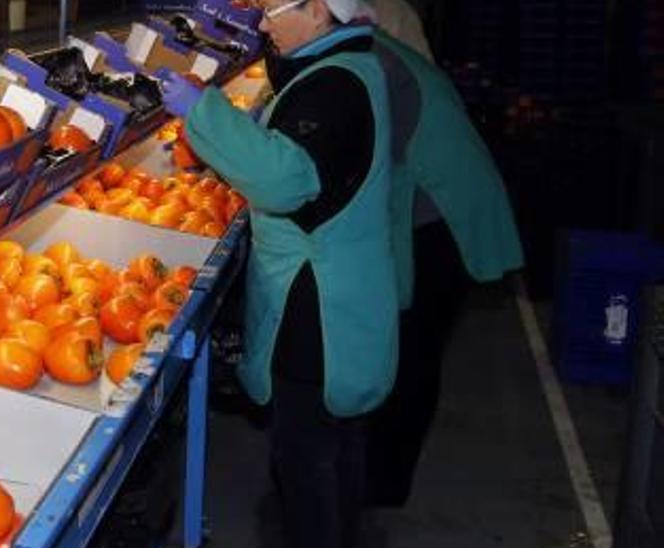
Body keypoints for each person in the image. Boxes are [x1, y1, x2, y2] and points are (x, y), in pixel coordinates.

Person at [163, 1, 398, 546]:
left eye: (273, 10)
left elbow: (287, 180)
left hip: (318, 302)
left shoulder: (335, 84)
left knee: (308, 454)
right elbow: (302, 152)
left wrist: (205, 113)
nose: (263, 23)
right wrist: (243, 134)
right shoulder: (345, 66)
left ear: (317, 11)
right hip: (342, 284)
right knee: (336, 446)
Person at [363, 26, 525, 506]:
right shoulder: (370, 49)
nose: (267, 26)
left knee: (415, 350)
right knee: (411, 347)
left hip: (442, 217)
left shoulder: (372, 68)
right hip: (433, 204)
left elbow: (359, 171)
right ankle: (382, 475)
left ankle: (386, 485)